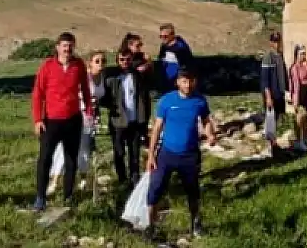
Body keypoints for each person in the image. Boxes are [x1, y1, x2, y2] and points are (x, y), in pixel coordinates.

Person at [145, 67, 217, 240]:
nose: (188, 85)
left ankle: (196, 225)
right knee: (155, 190)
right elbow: (157, 128)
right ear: (177, 82)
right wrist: (151, 155)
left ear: (195, 81)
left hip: (190, 155)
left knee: (193, 192)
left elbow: (206, 121)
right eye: (184, 81)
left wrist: (210, 134)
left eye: (191, 80)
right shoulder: (166, 101)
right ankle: (151, 226)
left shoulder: (200, 101)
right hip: (167, 153)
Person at [30, 32, 94, 212]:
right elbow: (38, 94)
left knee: (71, 159)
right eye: (64, 45)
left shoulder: (78, 65)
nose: (67, 49)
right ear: (57, 47)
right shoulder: (48, 67)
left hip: (73, 119)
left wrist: (88, 110)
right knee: (44, 159)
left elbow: (85, 89)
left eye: (70, 45)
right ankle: (40, 197)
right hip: (51, 121)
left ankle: (68, 196)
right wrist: (37, 119)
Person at [47, 51, 106, 195]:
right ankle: (55, 180)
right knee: (64, 148)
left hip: (91, 117)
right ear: (90, 63)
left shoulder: (102, 78)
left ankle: (83, 179)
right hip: (75, 114)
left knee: (85, 148)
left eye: (103, 61)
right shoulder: (84, 77)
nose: (101, 64)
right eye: (97, 61)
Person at [104, 47, 151, 186]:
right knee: (119, 152)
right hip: (118, 120)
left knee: (134, 152)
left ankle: (134, 179)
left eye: (128, 59)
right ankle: (122, 179)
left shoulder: (138, 76)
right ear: (117, 60)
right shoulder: (112, 78)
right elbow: (105, 98)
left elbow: (144, 98)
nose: (125, 62)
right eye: (122, 60)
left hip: (135, 120)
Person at [260, 32, 289, 153]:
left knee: (276, 117)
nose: (277, 44)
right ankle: (269, 144)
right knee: (270, 117)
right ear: (271, 42)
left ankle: (274, 142)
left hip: (280, 92)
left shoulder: (280, 55)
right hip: (271, 92)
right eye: (274, 41)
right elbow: (265, 79)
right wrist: (268, 96)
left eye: (278, 41)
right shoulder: (268, 57)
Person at [288, 44, 307, 152]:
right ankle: (299, 141)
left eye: (304, 53)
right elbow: (295, 84)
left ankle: (305, 136)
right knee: (300, 117)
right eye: (301, 54)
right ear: (296, 55)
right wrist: (295, 100)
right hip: (299, 93)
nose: (303, 56)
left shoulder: (306, 65)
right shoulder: (294, 68)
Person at [156, 23, 193, 92]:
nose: (163, 38)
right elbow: (161, 59)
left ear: (172, 35)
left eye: (165, 36)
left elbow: (185, 66)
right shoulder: (164, 46)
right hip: (165, 81)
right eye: (161, 36)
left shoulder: (180, 48)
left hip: (176, 83)